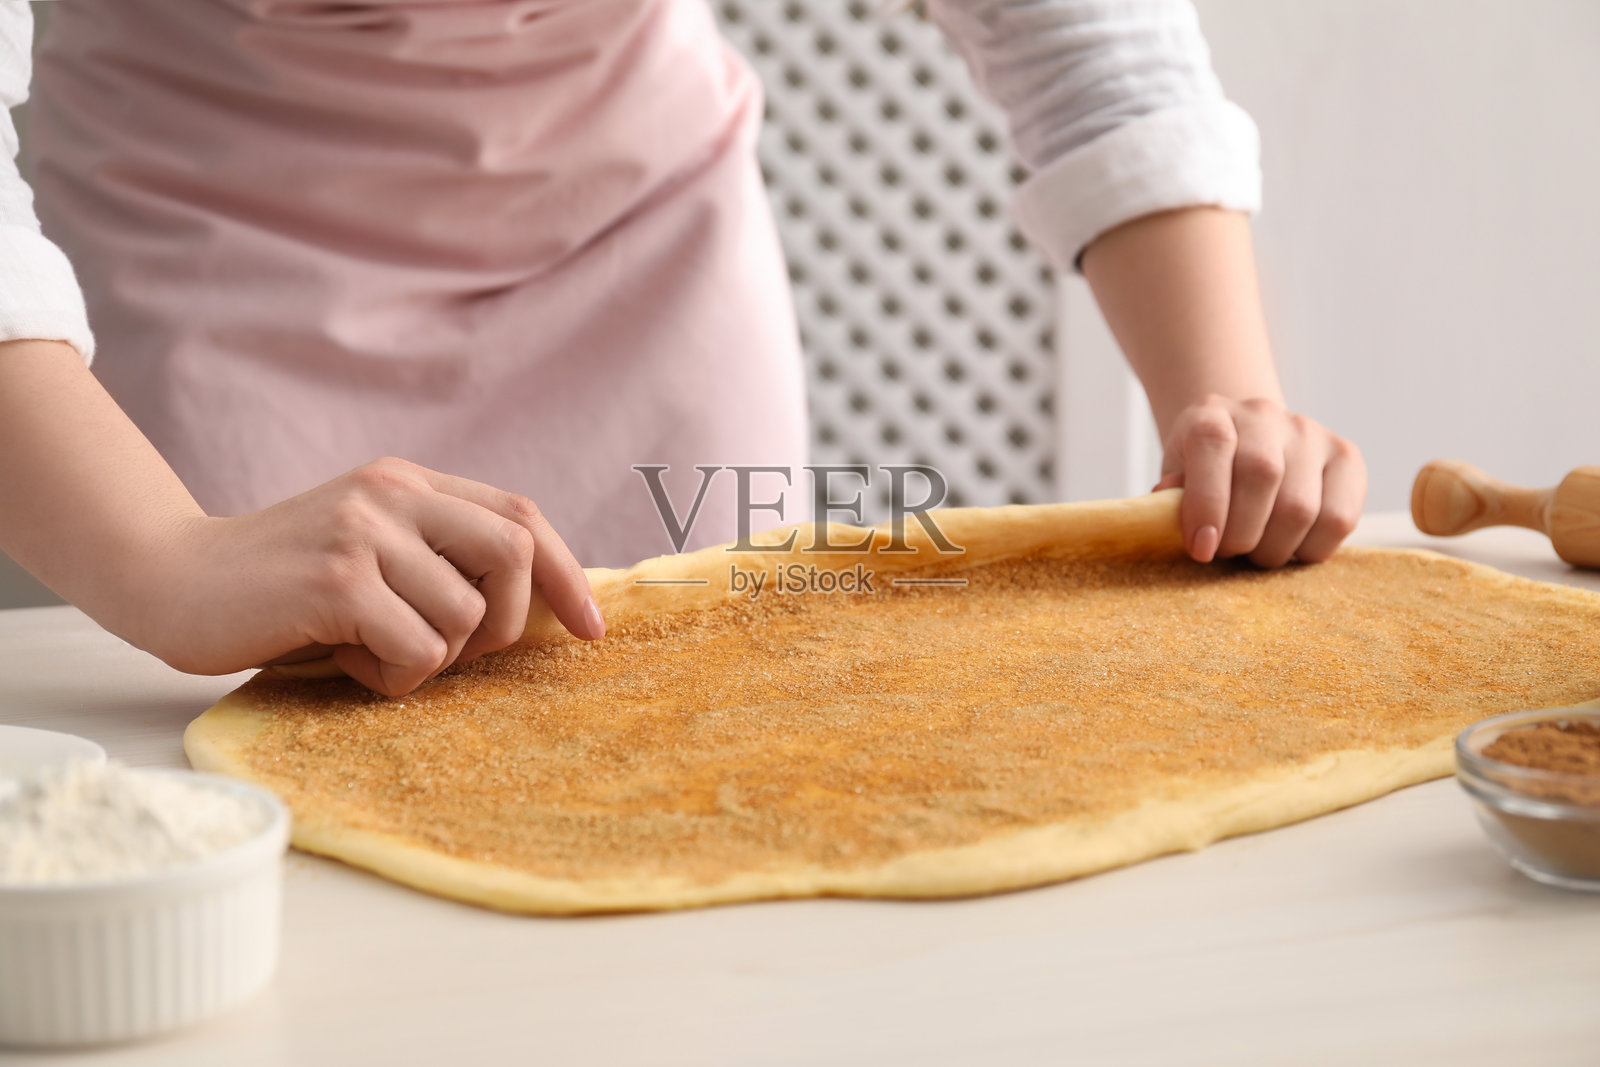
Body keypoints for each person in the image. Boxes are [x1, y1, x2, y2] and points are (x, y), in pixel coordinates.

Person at [0, 0, 1364, 697]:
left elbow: (1075, 31)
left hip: (639, 263)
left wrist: (1228, 404)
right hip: (196, 273)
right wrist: (164, 561)